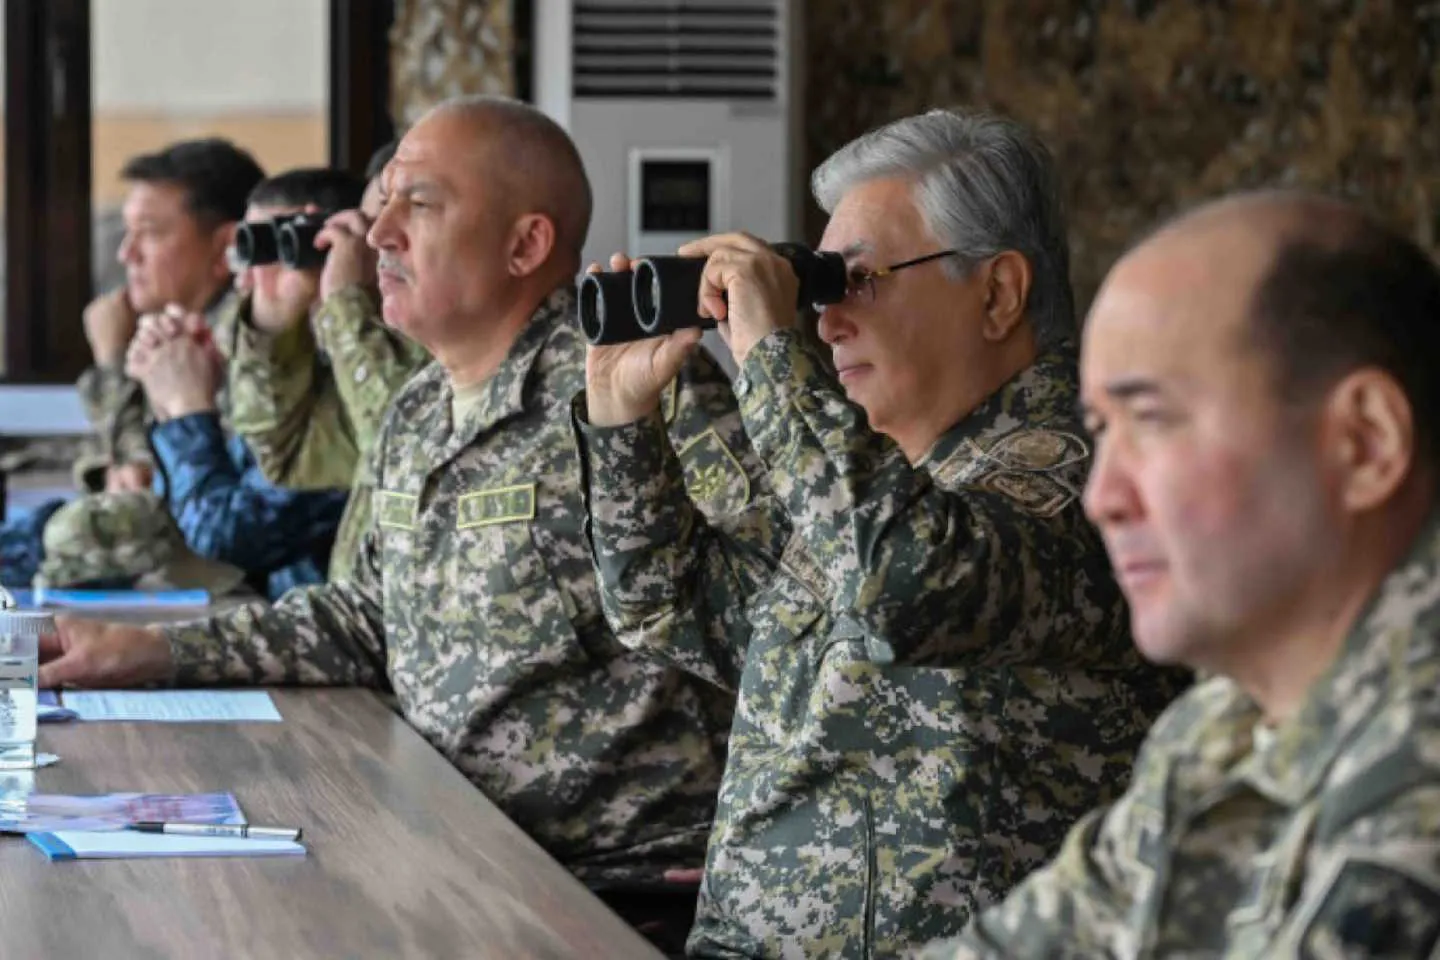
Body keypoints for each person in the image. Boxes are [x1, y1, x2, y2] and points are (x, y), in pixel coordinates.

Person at [36, 95, 743, 954]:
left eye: (421, 205)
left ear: (526, 245)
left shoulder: (645, 388)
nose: (377, 237)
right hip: (432, 835)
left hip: (604, 888)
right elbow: (368, 615)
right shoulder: (418, 406)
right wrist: (150, 650)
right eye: (384, 206)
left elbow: (766, 625)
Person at [578, 108, 1184, 956]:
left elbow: (901, 582)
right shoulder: (887, 479)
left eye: (854, 280)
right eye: (819, 289)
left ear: (999, 292)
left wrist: (767, 351)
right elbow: (671, 609)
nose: (824, 322)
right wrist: (620, 419)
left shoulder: (1085, 479)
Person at [921, 192, 1440, 958]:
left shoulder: (1415, 776)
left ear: (1364, 444)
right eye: (1101, 430)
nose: (1102, 498)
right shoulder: (1221, 728)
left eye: (1154, 420)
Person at [36, 169, 363, 602]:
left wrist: (186, 410)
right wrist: (172, 405)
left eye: (282, 253)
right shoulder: (262, 367)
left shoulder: (350, 392)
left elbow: (223, 538)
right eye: (246, 253)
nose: (247, 279)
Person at [225, 140, 431, 583]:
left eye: (414, 208)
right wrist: (275, 325)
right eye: (375, 213)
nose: (375, 238)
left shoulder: (473, 369)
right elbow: (288, 458)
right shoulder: (361, 361)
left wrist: (347, 307)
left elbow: (409, 451)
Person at [76, 138, 264, 495]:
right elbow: (103, 463)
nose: (126, 253)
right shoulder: (169, 327)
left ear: (226, 246)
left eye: (149, 233)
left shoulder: (247, 337)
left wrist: (112, 363)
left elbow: (156, 483)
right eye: (127, 232)